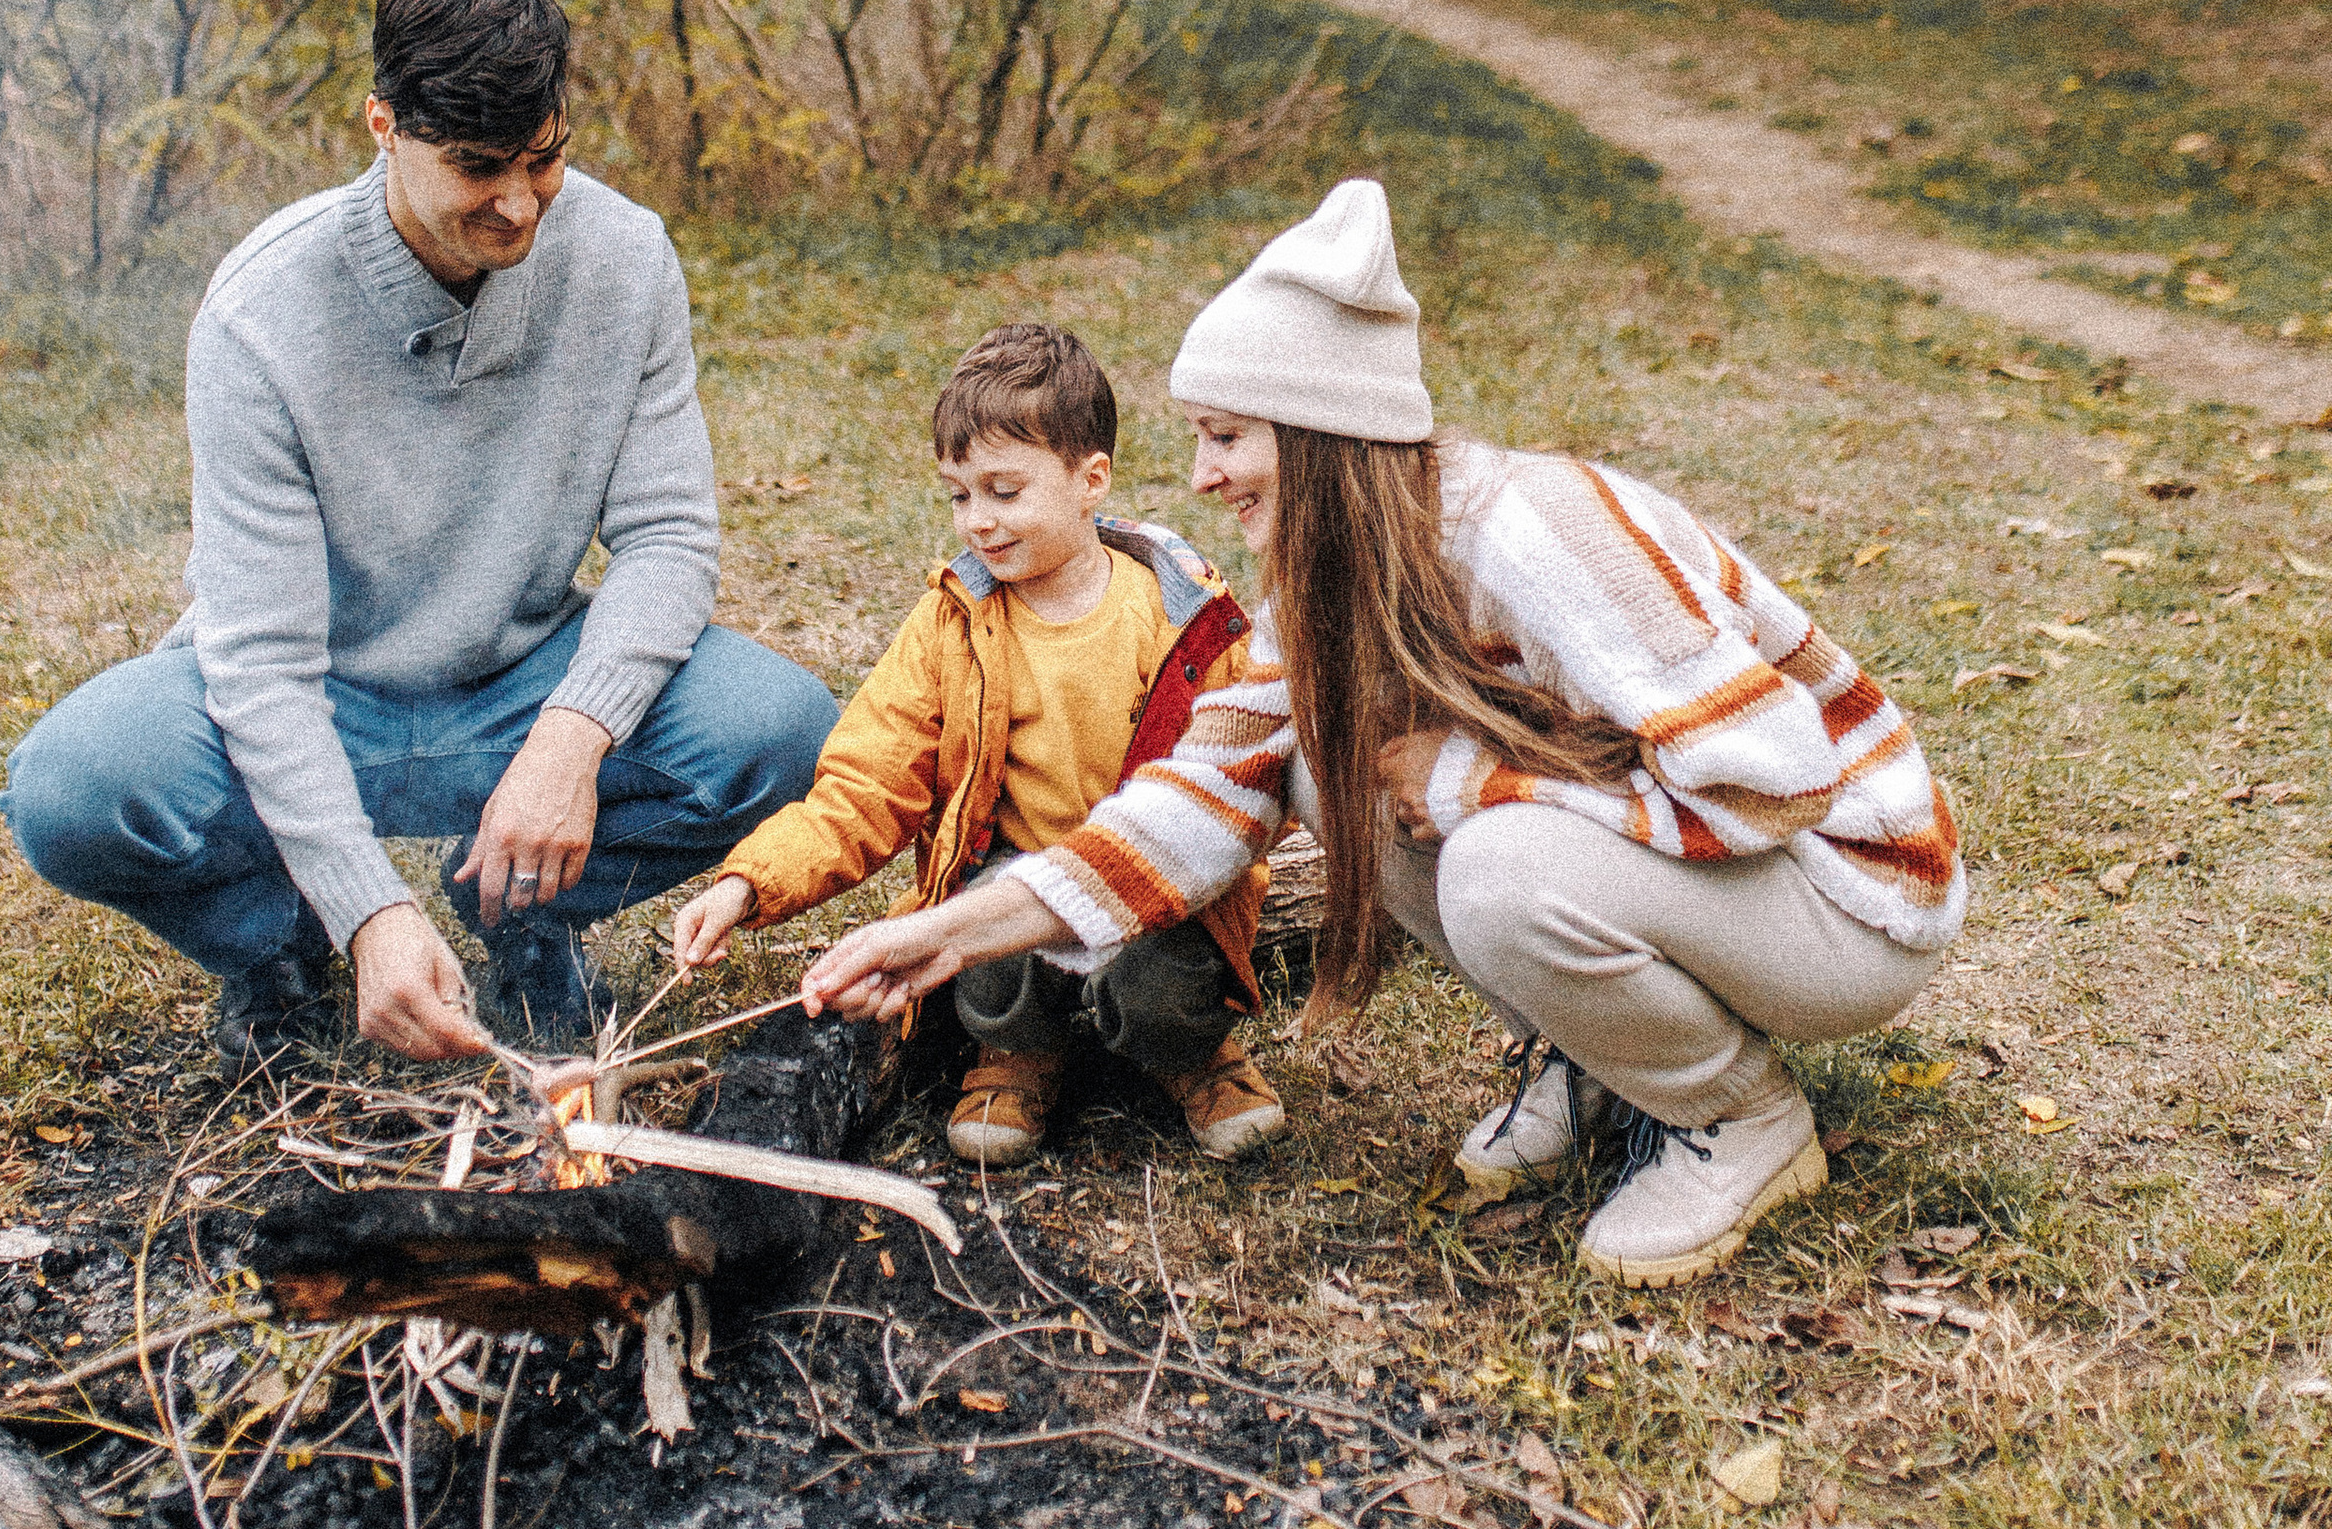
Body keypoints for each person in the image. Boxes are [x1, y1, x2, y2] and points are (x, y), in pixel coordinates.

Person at [795, 179, 1964, 1289]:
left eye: (1224, 436)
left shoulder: (1538, 531)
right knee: (1321, 765)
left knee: (1500, 862)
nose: (1199, 477)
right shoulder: (1327, 578)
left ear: (1317, 433)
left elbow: (1772, 787)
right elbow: (1194, 802)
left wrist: (1483, 788)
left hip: (1849, 895)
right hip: (1715, 871)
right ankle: (1608, 1060)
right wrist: (952, 931)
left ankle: (1737, 1117)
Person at [2, 0, 834, 1070]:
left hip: (522, 680)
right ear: (383, 125)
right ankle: (288, 948)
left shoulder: (625, 258)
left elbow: (670, 537)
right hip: (319, 694)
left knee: (781, 731)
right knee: (72, 789)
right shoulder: (260, 313)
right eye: (480, 167)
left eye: (545, 159)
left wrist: (570, 738)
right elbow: (258, 661)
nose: (519, 202)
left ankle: (519, 914)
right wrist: (365, 911)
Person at [670, 320, 1286, 1167]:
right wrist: (750, 883)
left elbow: (1243, 789)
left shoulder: (1181, 617)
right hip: (1009, 885)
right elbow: (870, 777)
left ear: (1090, 481)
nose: (979, 523)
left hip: (1153, 884)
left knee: (1167, 980)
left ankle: (1194, 1054)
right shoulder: (955, 620)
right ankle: (1018, 1053)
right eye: (961, 495)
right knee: (984, 946)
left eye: (1004, 491)